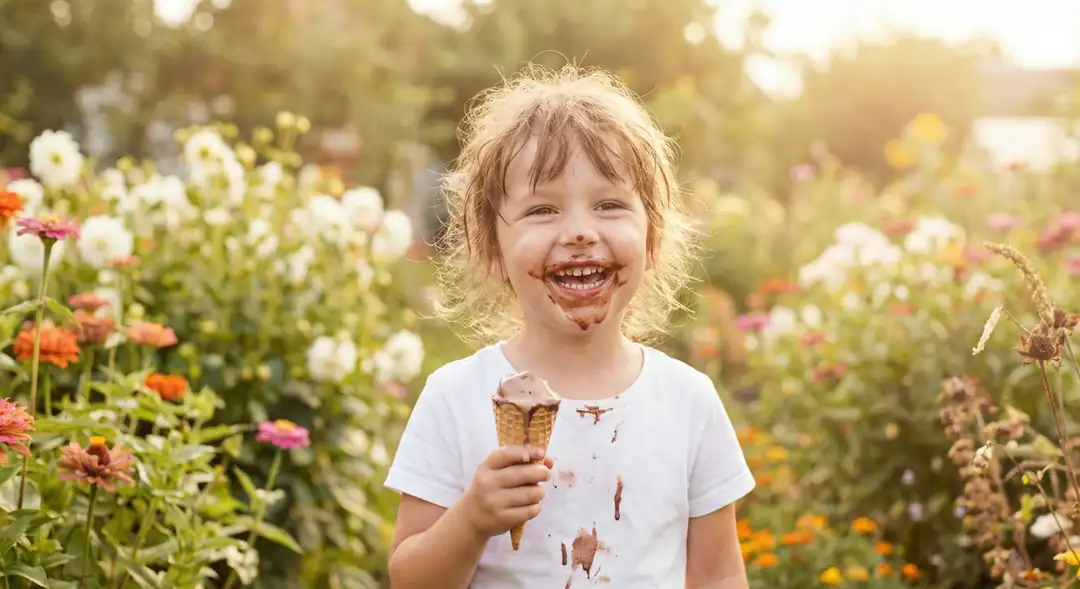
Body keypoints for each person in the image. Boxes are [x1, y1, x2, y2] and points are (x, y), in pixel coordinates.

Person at [384, 64, 755, 589]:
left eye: (609, 205)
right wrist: (471, 521)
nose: (580, 232)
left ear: (651, 241)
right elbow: (409, 581)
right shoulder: (455, 398)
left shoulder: (689, 402)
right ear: (492, 249)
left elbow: (718, 576)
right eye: (542, 209)